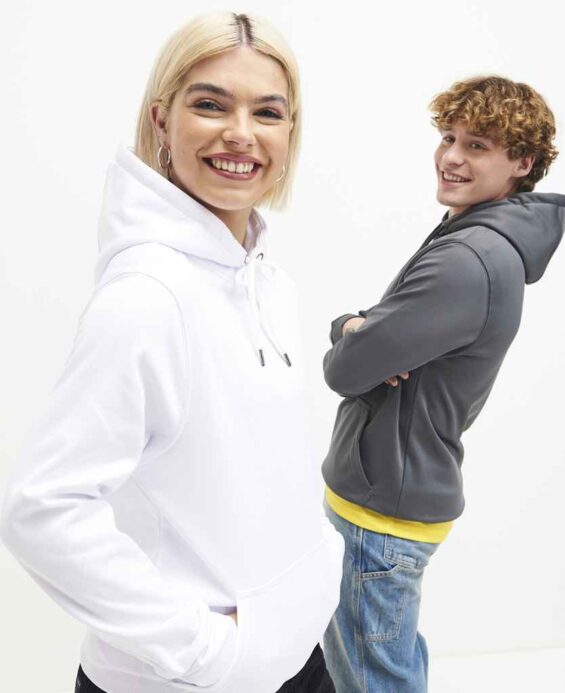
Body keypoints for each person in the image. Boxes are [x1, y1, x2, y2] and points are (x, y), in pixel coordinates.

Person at [0, 12, 343, 693]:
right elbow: (44, 509)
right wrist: (207, 651)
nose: (240, 133)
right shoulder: (146, 298)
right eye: (210, 104)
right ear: (161, 121)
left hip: (297, 660)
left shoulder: (270, 283)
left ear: (290, 131)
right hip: (189, 680)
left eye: (267, 112)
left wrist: (308, 583)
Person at [320, 75, 565, 692]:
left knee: (377, 680)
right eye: (448, 137)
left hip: (383, 513)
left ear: (522, 162)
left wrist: (355, 336)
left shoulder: (469, 258)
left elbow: (345, 370)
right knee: (383, 664)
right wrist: (352, 327)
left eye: (477, 145)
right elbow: (367, 337)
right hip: (388, 496)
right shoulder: (472, 236)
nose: (451, 157)